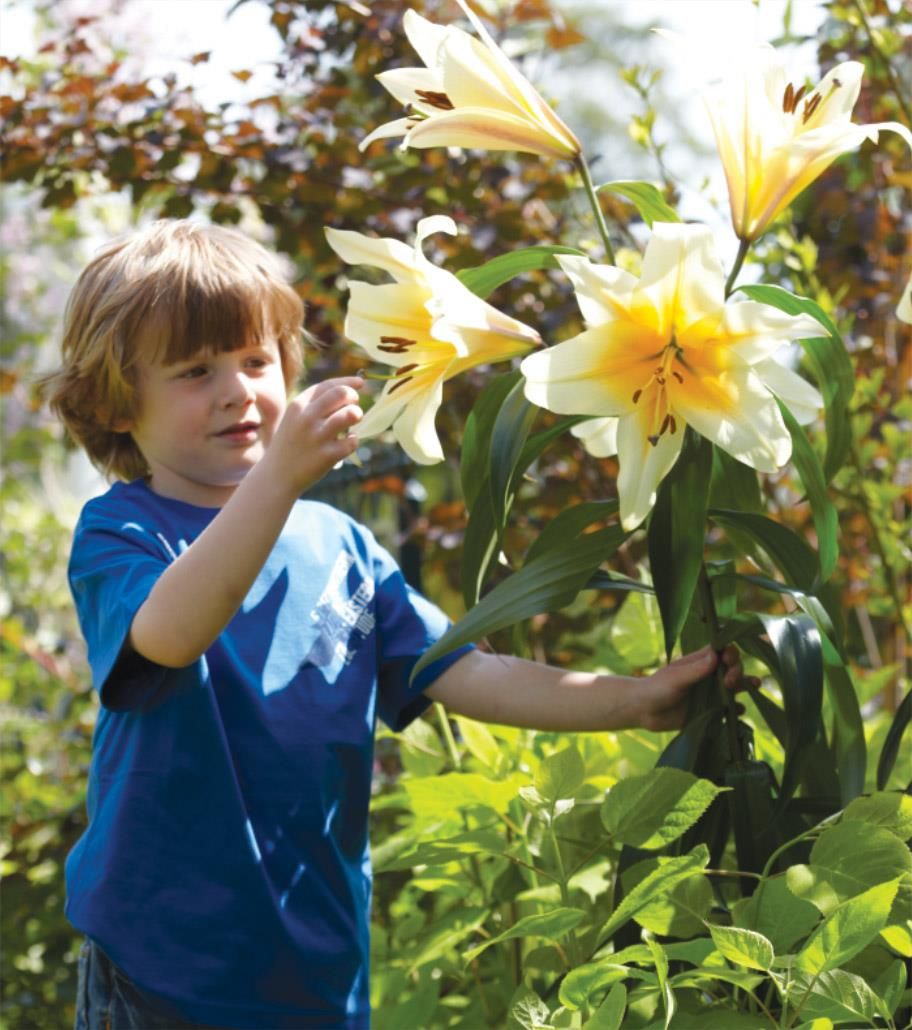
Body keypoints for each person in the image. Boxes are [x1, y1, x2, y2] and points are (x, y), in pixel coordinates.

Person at [45, 219, 748, 1030]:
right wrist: (277, 479)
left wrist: (630, 698)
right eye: (196, 370)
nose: (238, 390)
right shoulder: (122, 532)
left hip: (314, 964)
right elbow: (169, 635)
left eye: (255, 360)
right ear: (116, 403)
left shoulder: (341, 545)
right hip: (161, 969)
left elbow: (468, 672)